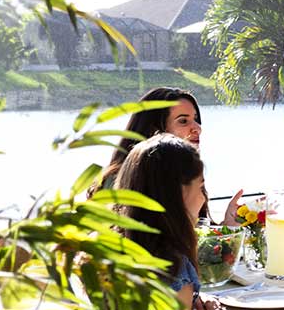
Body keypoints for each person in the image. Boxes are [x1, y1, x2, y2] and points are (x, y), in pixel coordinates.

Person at [92, 87, 242, 226]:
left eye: (195, 119)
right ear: (154, 131)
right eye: (183, 121)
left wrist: (226, 226)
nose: (197, 128)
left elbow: (194, 239)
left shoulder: (183, 173)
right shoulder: (121, 179)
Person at [115, 133, 222, 310]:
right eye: (201, 187)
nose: (203, 198)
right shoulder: (174, 272)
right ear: (176, 196)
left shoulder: (111, 255)